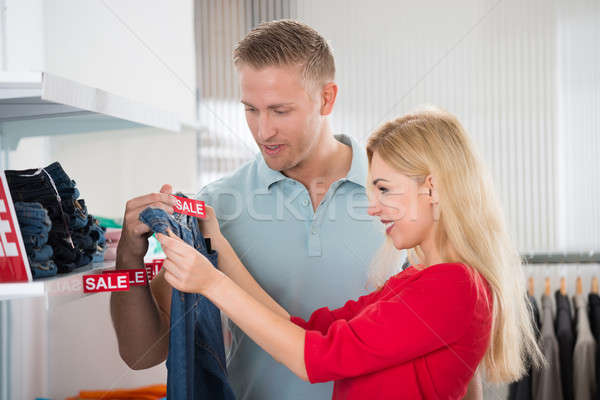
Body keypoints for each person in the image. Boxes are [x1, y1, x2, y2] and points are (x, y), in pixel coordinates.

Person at [110, 20, 483, 399]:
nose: (262, 130)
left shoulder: (400, 202)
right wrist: (128, 256)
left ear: (326, 98)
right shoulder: (218, 205)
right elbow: (144, 353)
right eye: (251, 109)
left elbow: (446, 349)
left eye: (280, 111)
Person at [156, 107, 545, 399]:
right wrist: (218, 248)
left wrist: (210, 284)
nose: (372, 207)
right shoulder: (414, 281)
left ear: (432, 188)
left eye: (384, 189)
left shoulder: (454, 286)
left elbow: (316, 359)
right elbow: (303, 331)